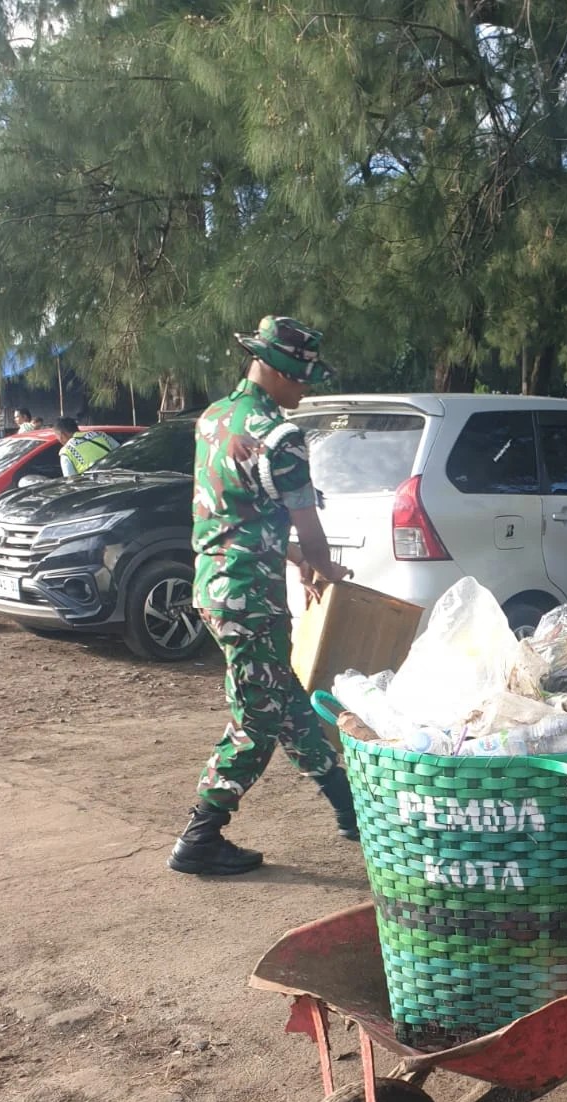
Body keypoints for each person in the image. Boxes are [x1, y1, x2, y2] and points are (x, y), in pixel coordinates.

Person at [168, 314, 358, 876]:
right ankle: (200, 836)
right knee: (257, 718)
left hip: (216, 584)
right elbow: (308, 521)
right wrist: (322, 567)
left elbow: (237, 514)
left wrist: (294, 560)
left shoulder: (216, 418)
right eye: (302, 377)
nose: (306, 388)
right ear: (276, 369)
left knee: (285, 699)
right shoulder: (279, 434)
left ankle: (349, 810)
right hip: (251, 595)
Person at [53, 416, 119, 476]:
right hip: (119, 477)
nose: (59, 440)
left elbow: (71, 481)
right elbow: (121, 452)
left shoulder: (66, 451)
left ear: (62, 435)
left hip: (94, 487)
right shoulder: (100, 435)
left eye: (57, 437)